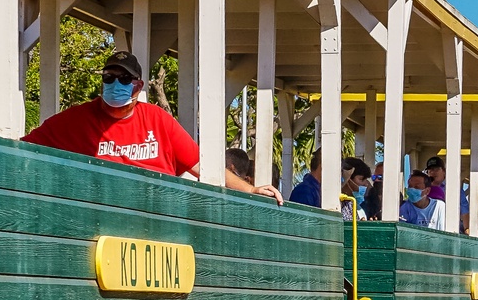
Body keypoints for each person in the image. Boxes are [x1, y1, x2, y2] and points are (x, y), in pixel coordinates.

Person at [22, 52, 283, 203]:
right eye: (109, 78)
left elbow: (202, 167)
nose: (115, 84)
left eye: (123, 78)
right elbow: (23, 149)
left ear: (138, 85)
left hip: (157, 222)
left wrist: (251, 190)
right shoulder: (76, 120)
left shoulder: (158, 120)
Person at [288, 156, 371, 212]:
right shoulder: (304, 191)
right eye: (339, 168)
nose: (340, 174)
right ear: (323, 165)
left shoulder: (320, 191)